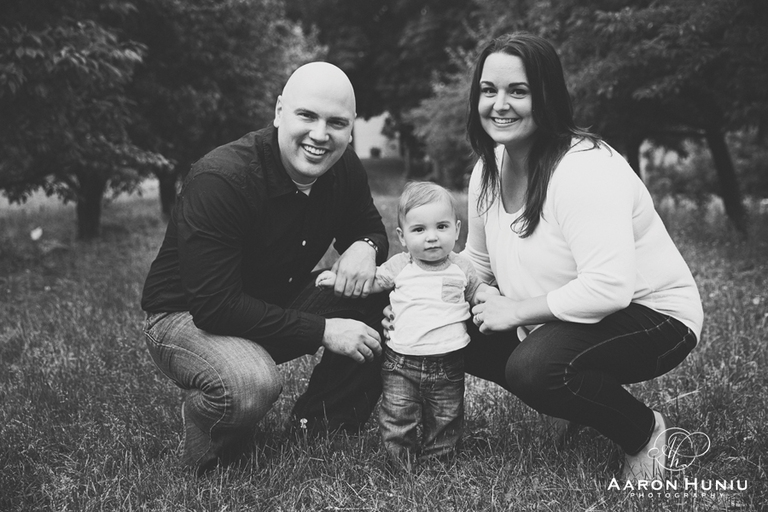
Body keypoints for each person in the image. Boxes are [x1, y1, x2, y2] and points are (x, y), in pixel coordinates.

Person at [387, 33, 703, 481]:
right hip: (565, 317)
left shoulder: (585, 169)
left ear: (546, 96)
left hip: (653, 316)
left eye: (518, 91)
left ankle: (641, 430)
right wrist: (414, 304)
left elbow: (610, 288)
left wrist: (514, 310)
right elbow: (475, 264)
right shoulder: (487, 170)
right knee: (451, 323)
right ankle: (576, 400)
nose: (500, 104)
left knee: (534, 369)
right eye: (488, 90)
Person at [141, 62, 390, 476]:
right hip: (186, 316)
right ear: (278, 112)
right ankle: (212, 448)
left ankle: (320, 428)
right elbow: (216, 306)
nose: (320, 135)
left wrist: (366, 247)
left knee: (377, 291)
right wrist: (327, 330)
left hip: (271, 299)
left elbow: (368, 228)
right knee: (249, 384)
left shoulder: (342, 166)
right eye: (307, 116)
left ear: (350, 129)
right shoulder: (223, 178)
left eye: (336, 123)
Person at [317, 182, 496, 465]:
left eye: (441, 227)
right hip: (401, 362)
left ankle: (440, 460)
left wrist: (491, 296)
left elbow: (476, 291)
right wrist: (337, 279)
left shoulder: (461, 266)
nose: (432, 238)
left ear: (457, 230)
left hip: (448, 361)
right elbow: (374, 280)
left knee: (446, 416)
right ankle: (400, 461)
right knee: (398, 414)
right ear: (402, 236)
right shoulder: (401, 265)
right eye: (419, 230)